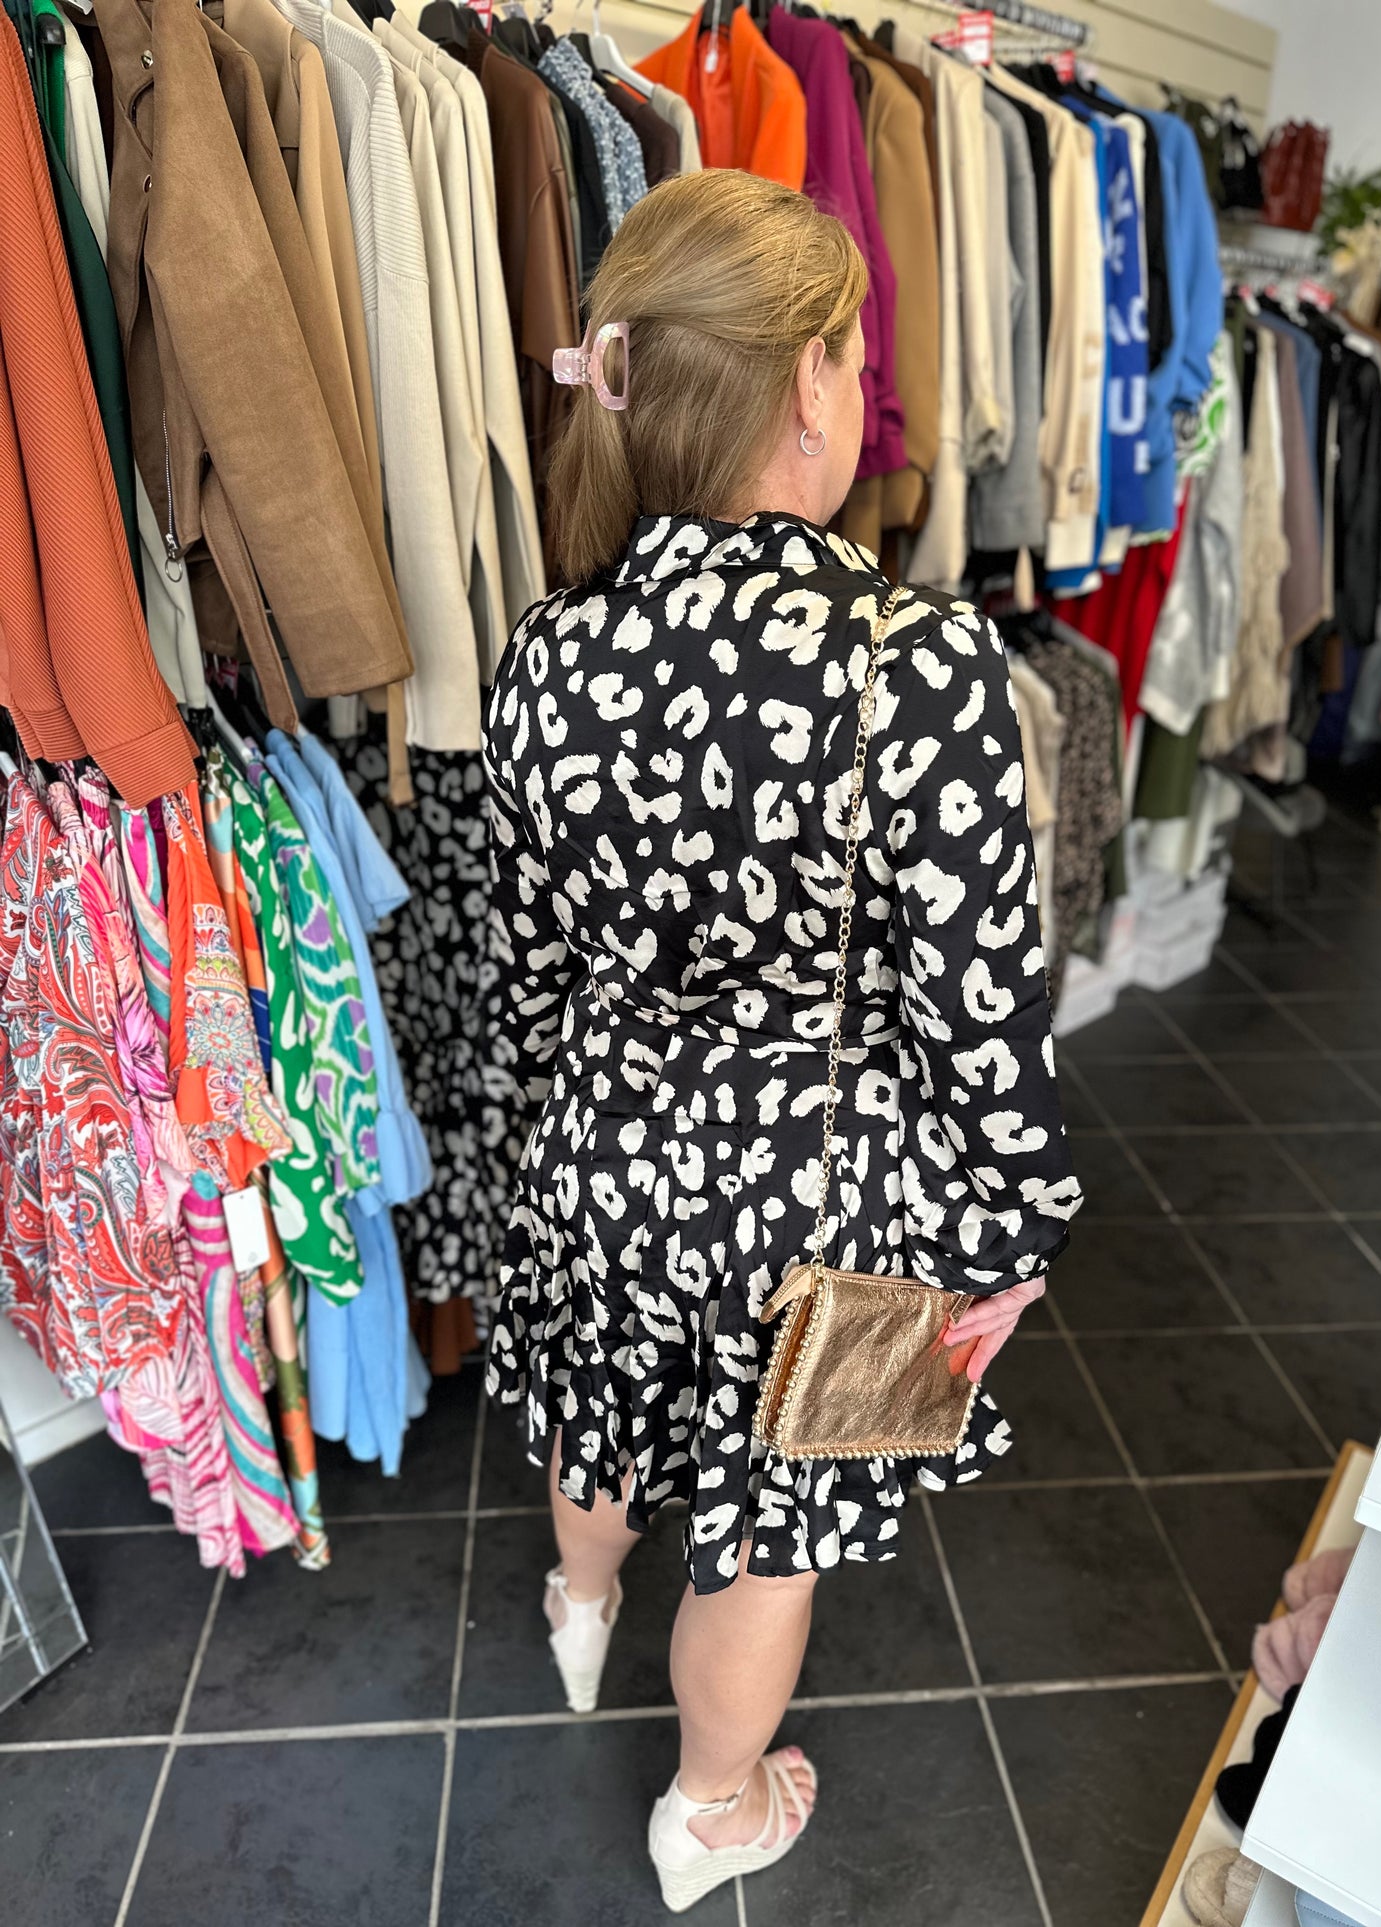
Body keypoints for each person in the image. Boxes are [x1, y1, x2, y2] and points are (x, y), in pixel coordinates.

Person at [482, 169, 1081, 1913]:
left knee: (601, 1409)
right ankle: (714, 1810)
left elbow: (532, 961)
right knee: (774, 1526)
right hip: (822, 1193)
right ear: (812, 380)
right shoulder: (918, 660)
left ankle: (579, 1611)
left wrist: (550, 1141)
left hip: (600, 1141)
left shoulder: (549, 648)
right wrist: (1004, 1243)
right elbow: (985, 1008)